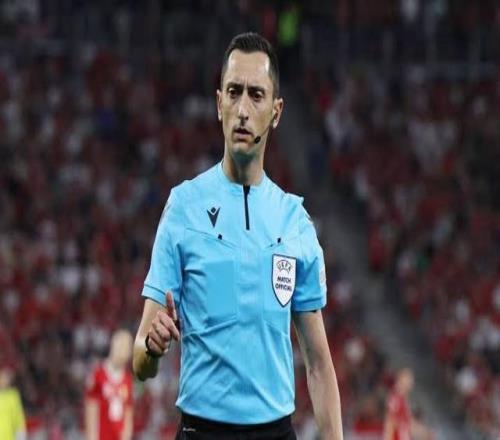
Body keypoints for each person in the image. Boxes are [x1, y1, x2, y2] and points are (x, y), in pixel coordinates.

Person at [133, 32, 343, 440]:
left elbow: (319, 365)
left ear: (276, 112)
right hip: (201, 432)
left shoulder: (294, 222)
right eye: (234, 92)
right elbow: (141, 360)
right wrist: (152, 348)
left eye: (256, 95)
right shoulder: (183, 208)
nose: (243, 109)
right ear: (219, 104)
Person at [85, 329, 134, 440]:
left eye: (127, 348)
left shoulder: (128, 379)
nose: (124, 352)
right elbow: (91, 409)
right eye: (121, 347)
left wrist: (126, 436)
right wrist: (92, 437)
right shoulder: (98, 374)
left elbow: (128, 413)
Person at [383, 368, 434, 440]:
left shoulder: (404, 400)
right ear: (400, 380)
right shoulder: (395, 398)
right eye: (408, 380)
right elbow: (389, 422)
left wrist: (424, 432)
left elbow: (409, 424)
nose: (411, 383)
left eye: (411, 381)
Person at [0, 363, 26, 440]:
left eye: (7, 377)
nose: (4, 380)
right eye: (2, 377)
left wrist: (21, 435)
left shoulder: (13, 395)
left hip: (9, 436)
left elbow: (18, 417)